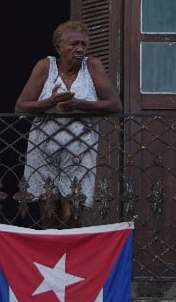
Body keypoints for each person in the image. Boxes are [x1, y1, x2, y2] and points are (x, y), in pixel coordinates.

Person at [15, 20, 122, 228]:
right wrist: (50, 103)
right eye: (73, 44)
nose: (79, 49)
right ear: (59, 48)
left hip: (79, 150)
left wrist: (79, 104)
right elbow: (20, 106)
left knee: (73, 213)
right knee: (49, 213)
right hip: (44, 149)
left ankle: (72, 258)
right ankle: (53, 258)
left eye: (83, 44)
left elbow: (115, 105)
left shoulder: (92, 66)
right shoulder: (45, 66)